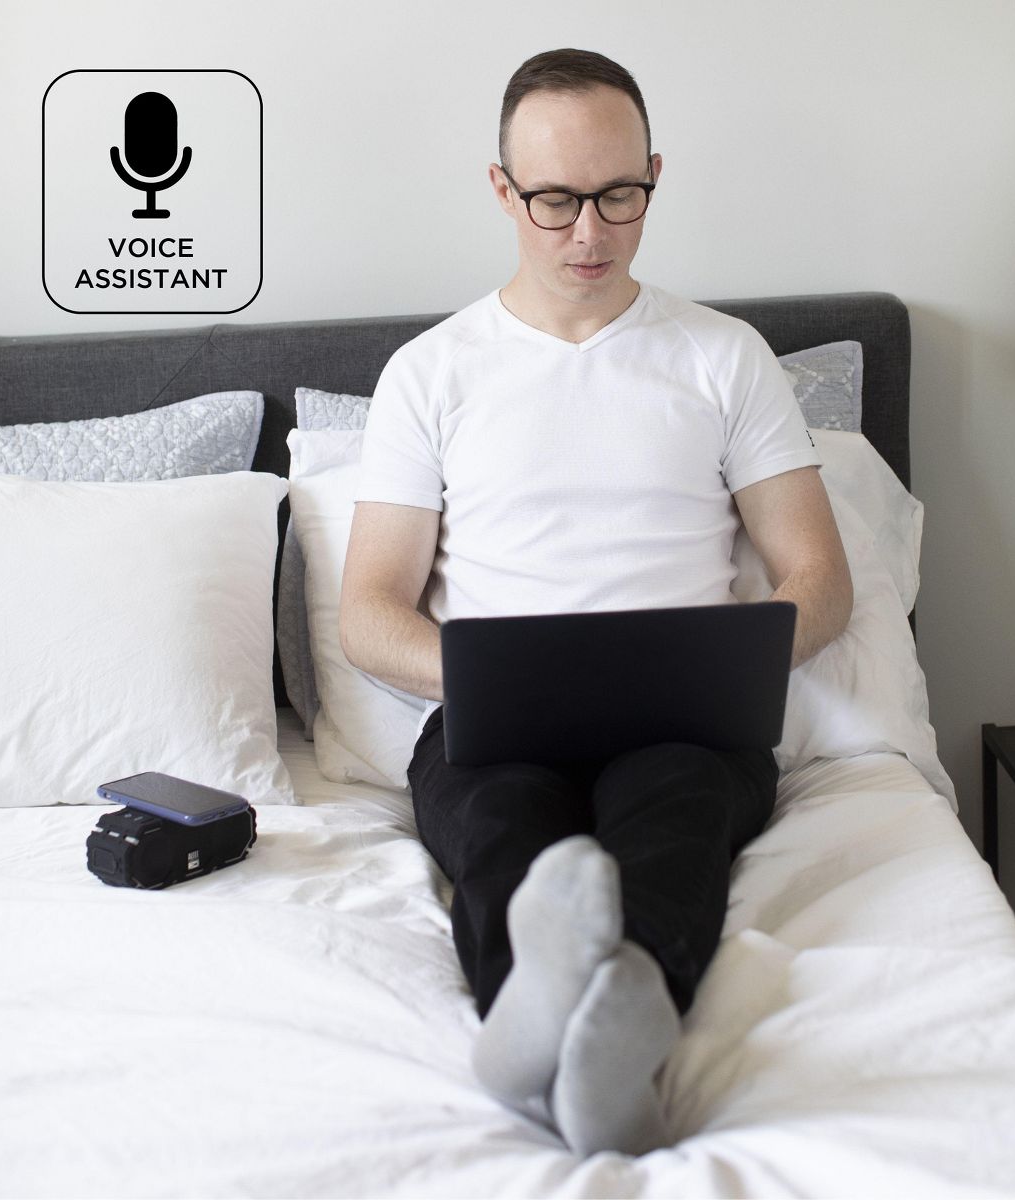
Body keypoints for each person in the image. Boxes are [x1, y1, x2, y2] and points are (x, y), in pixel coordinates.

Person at [339, 47, 853, 1157]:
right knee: (502, 833)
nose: (589, 232)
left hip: (686, 724)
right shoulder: (432, 372)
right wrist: (485, 673)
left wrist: (726, 660)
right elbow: (369, 611)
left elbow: (820, 579)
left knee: (677, 818)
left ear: (654, 175)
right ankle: (542, 1016)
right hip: (493, 721)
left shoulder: (725, 358)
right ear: (502, 189)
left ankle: (619, 1018)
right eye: (555, 200)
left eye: (620, 196)